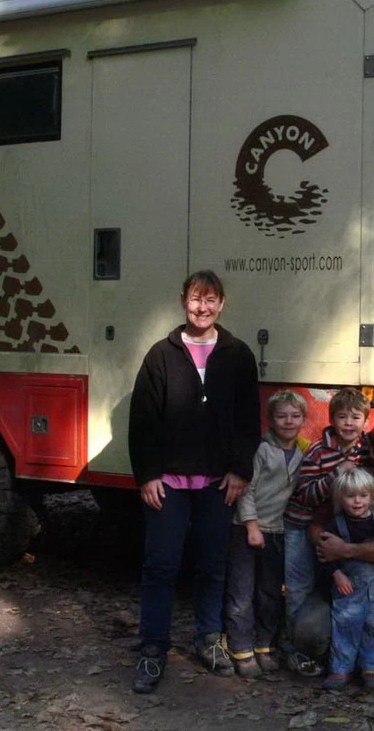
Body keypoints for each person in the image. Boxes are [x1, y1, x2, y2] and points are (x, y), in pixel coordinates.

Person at [128, 269, 260, 694]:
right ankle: (152, 650)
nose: (202, 308)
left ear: (221, 304)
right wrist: (147, 474)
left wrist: (240, 470)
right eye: (194, 299)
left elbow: (248, 420)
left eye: (210, 300)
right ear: (183, 301)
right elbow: (142, 422)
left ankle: (209, 639)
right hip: (167, 482)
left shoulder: (237, 355)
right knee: (160, 567)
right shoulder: (160, 356)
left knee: (211, 566)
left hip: (217, 483)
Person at [283, 391, 374, 676]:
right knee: (308, 632)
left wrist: (346, 549)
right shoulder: (354, 482)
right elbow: (316, 524)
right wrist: (327, 547)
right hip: (346, 577)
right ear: (372, 450)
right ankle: (336, 656)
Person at [282, 387, 373, 676]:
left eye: (355, 417)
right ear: (332, 419)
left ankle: (342, 649)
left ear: (365, 422)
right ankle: (297, 649)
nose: (348, 423)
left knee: (346, 587)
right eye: (342, 417)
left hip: (340, 530)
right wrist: (335, 474)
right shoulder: (318, 453)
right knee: (299, 586)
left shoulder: (367, 452)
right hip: (301, 524)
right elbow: (306, 494)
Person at [223, 389, 308, 677]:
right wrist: (251, 525)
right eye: (282, 416)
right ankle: (241, 647)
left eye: (295, 416)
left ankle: (265, 645)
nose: (288, 422)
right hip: (248, 529)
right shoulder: (260, 450)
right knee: (241, 592)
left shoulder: (302, 452)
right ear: (270, 420)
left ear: (303, 421)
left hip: (279, 532)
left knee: (270, 592)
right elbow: (247, 488)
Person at [320, 468, 374, 691]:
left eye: (363, 496)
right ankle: (340, 669)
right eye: (351, 496)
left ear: (372, 496)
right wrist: (337, 574)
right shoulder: (335, 526)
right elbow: (324, 556)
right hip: (348, 586)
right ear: (339, 498)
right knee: (346, 625)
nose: (357, 502)